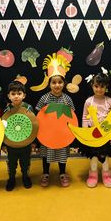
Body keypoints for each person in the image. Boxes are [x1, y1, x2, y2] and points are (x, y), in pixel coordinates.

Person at [35, 53, 75, 188]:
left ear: (64, 83)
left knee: (62, 154)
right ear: (49, 83)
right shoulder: (44, 98)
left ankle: (62, 173)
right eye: (54, 82)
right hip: (47, 134)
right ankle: (45, 173)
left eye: (60, 82)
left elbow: (72, 117)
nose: (57, 85)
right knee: (46, 154)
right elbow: (38, 115)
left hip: (63, 133)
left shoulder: (67, 99)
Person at [80, 67, 111, 188]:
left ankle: (106, 174)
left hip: (107, 135)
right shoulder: (88, 101)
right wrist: (85, 132)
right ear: (92, 86)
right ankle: (93, 175)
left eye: (102, 86)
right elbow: (85, 117)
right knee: (93, 157)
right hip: (92, 135)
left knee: (105, 157)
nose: (99, 89)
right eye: (96, 86)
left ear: (106, 87)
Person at [3, 80, 34, 191]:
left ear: (24, 95)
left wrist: (33, 141)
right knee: (11, 164)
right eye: (13, 94)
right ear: (9, 96)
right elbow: (3, 127)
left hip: (26, 143)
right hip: (11, 144)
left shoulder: (29, 108)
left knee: (25, 163)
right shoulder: (7, 110)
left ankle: (25, 177)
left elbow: (33, 125)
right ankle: (11, 179)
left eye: (19, 93)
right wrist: (4, 143)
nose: (16, 96)